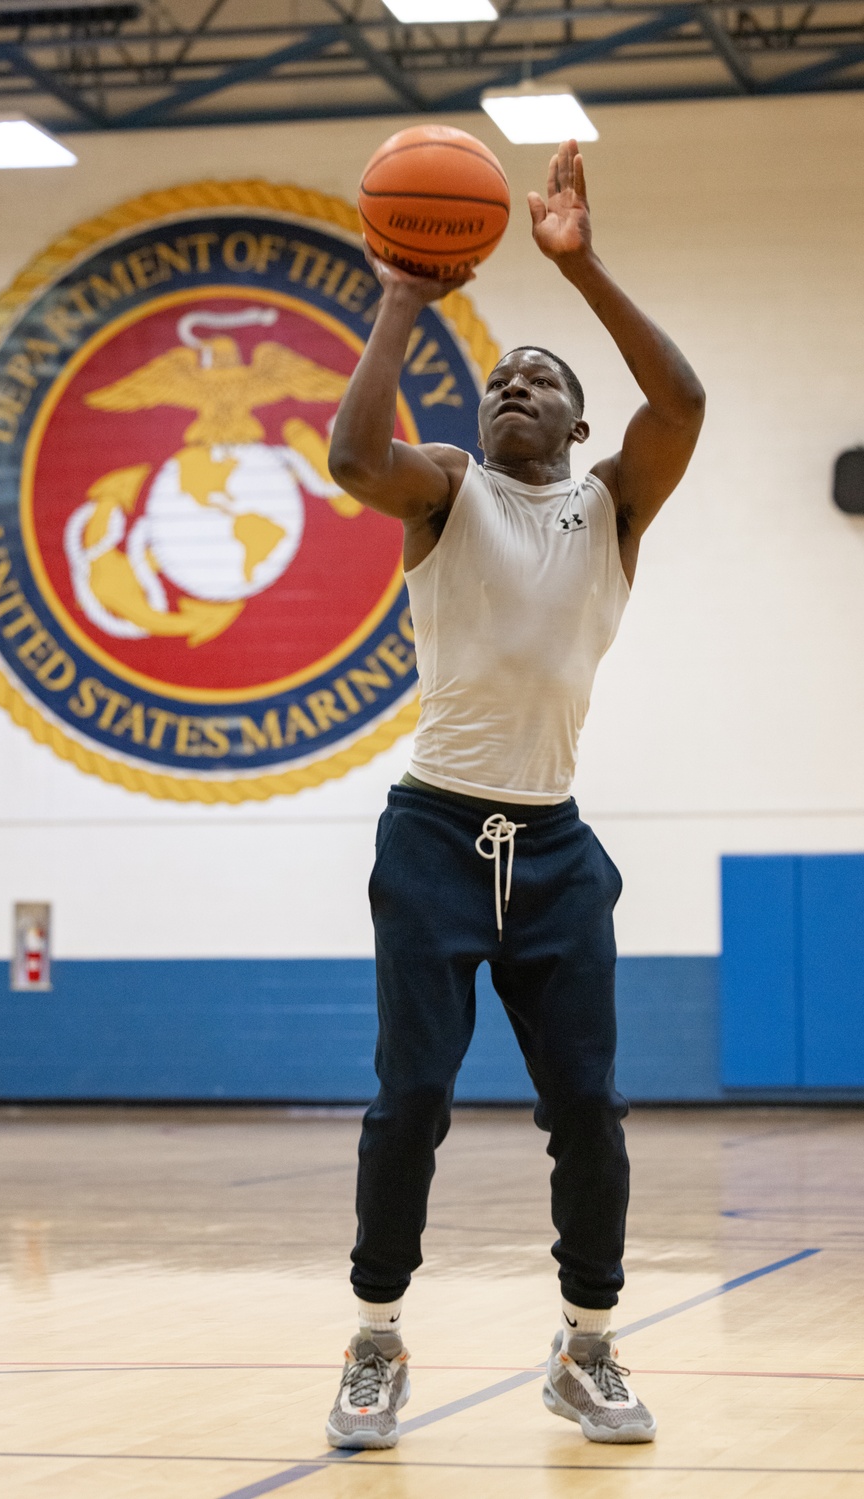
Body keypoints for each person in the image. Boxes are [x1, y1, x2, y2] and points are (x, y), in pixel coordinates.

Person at [323, 139, 704, 1450]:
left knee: (588, 1108)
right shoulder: (443, 489)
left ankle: (585, 1350)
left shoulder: (612, 509)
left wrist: (580, 266)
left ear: (581, 423)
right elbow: (348, 458)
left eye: (539, 378)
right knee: (410, 1099)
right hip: (433, 832)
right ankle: (374, 1342)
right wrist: (403, 300)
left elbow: (686, 401)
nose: (512, 388)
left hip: (555, 848)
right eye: (497, 379)